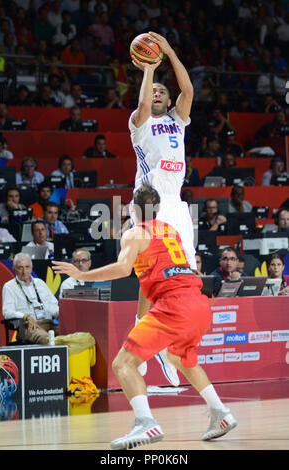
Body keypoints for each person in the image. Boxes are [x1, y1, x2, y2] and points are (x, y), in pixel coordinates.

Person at [52, 183, 237, 449]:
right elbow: (150, 277)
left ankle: (146, 423)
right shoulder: (169, 230)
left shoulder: (134, 233)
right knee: (180, 357)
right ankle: (220, 413)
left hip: (173, 306)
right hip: (197, 303)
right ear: (158, 208)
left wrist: (81, 275)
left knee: (122, 364)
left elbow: (122, 268)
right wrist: (142, 317)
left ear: (134, 209)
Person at [128, 31, 196, 386]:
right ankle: (143, 339)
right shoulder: (138, 123)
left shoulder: (177, 120)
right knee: (153, 271)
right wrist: (149, 71)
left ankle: (168, 344)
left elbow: (188, 91)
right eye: (153, 91)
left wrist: (169, 52)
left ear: (168, 101)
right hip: (148, 200)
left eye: (161, 92)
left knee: (184, 275)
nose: (156, 94)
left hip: (176, 202)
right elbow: (141, 106)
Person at [2, 252, 59, 344]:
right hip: (28, 327)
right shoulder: (9, 287)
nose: (24, 271)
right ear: (14, 270)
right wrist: (26, 317)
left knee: (68, 335)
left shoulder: (40, 283)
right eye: (20, 268)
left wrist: (61, 314)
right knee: (47, 339)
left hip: (49, 323)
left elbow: (53, 305)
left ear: (32, 268)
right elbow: (7, 312)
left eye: (27, 267)